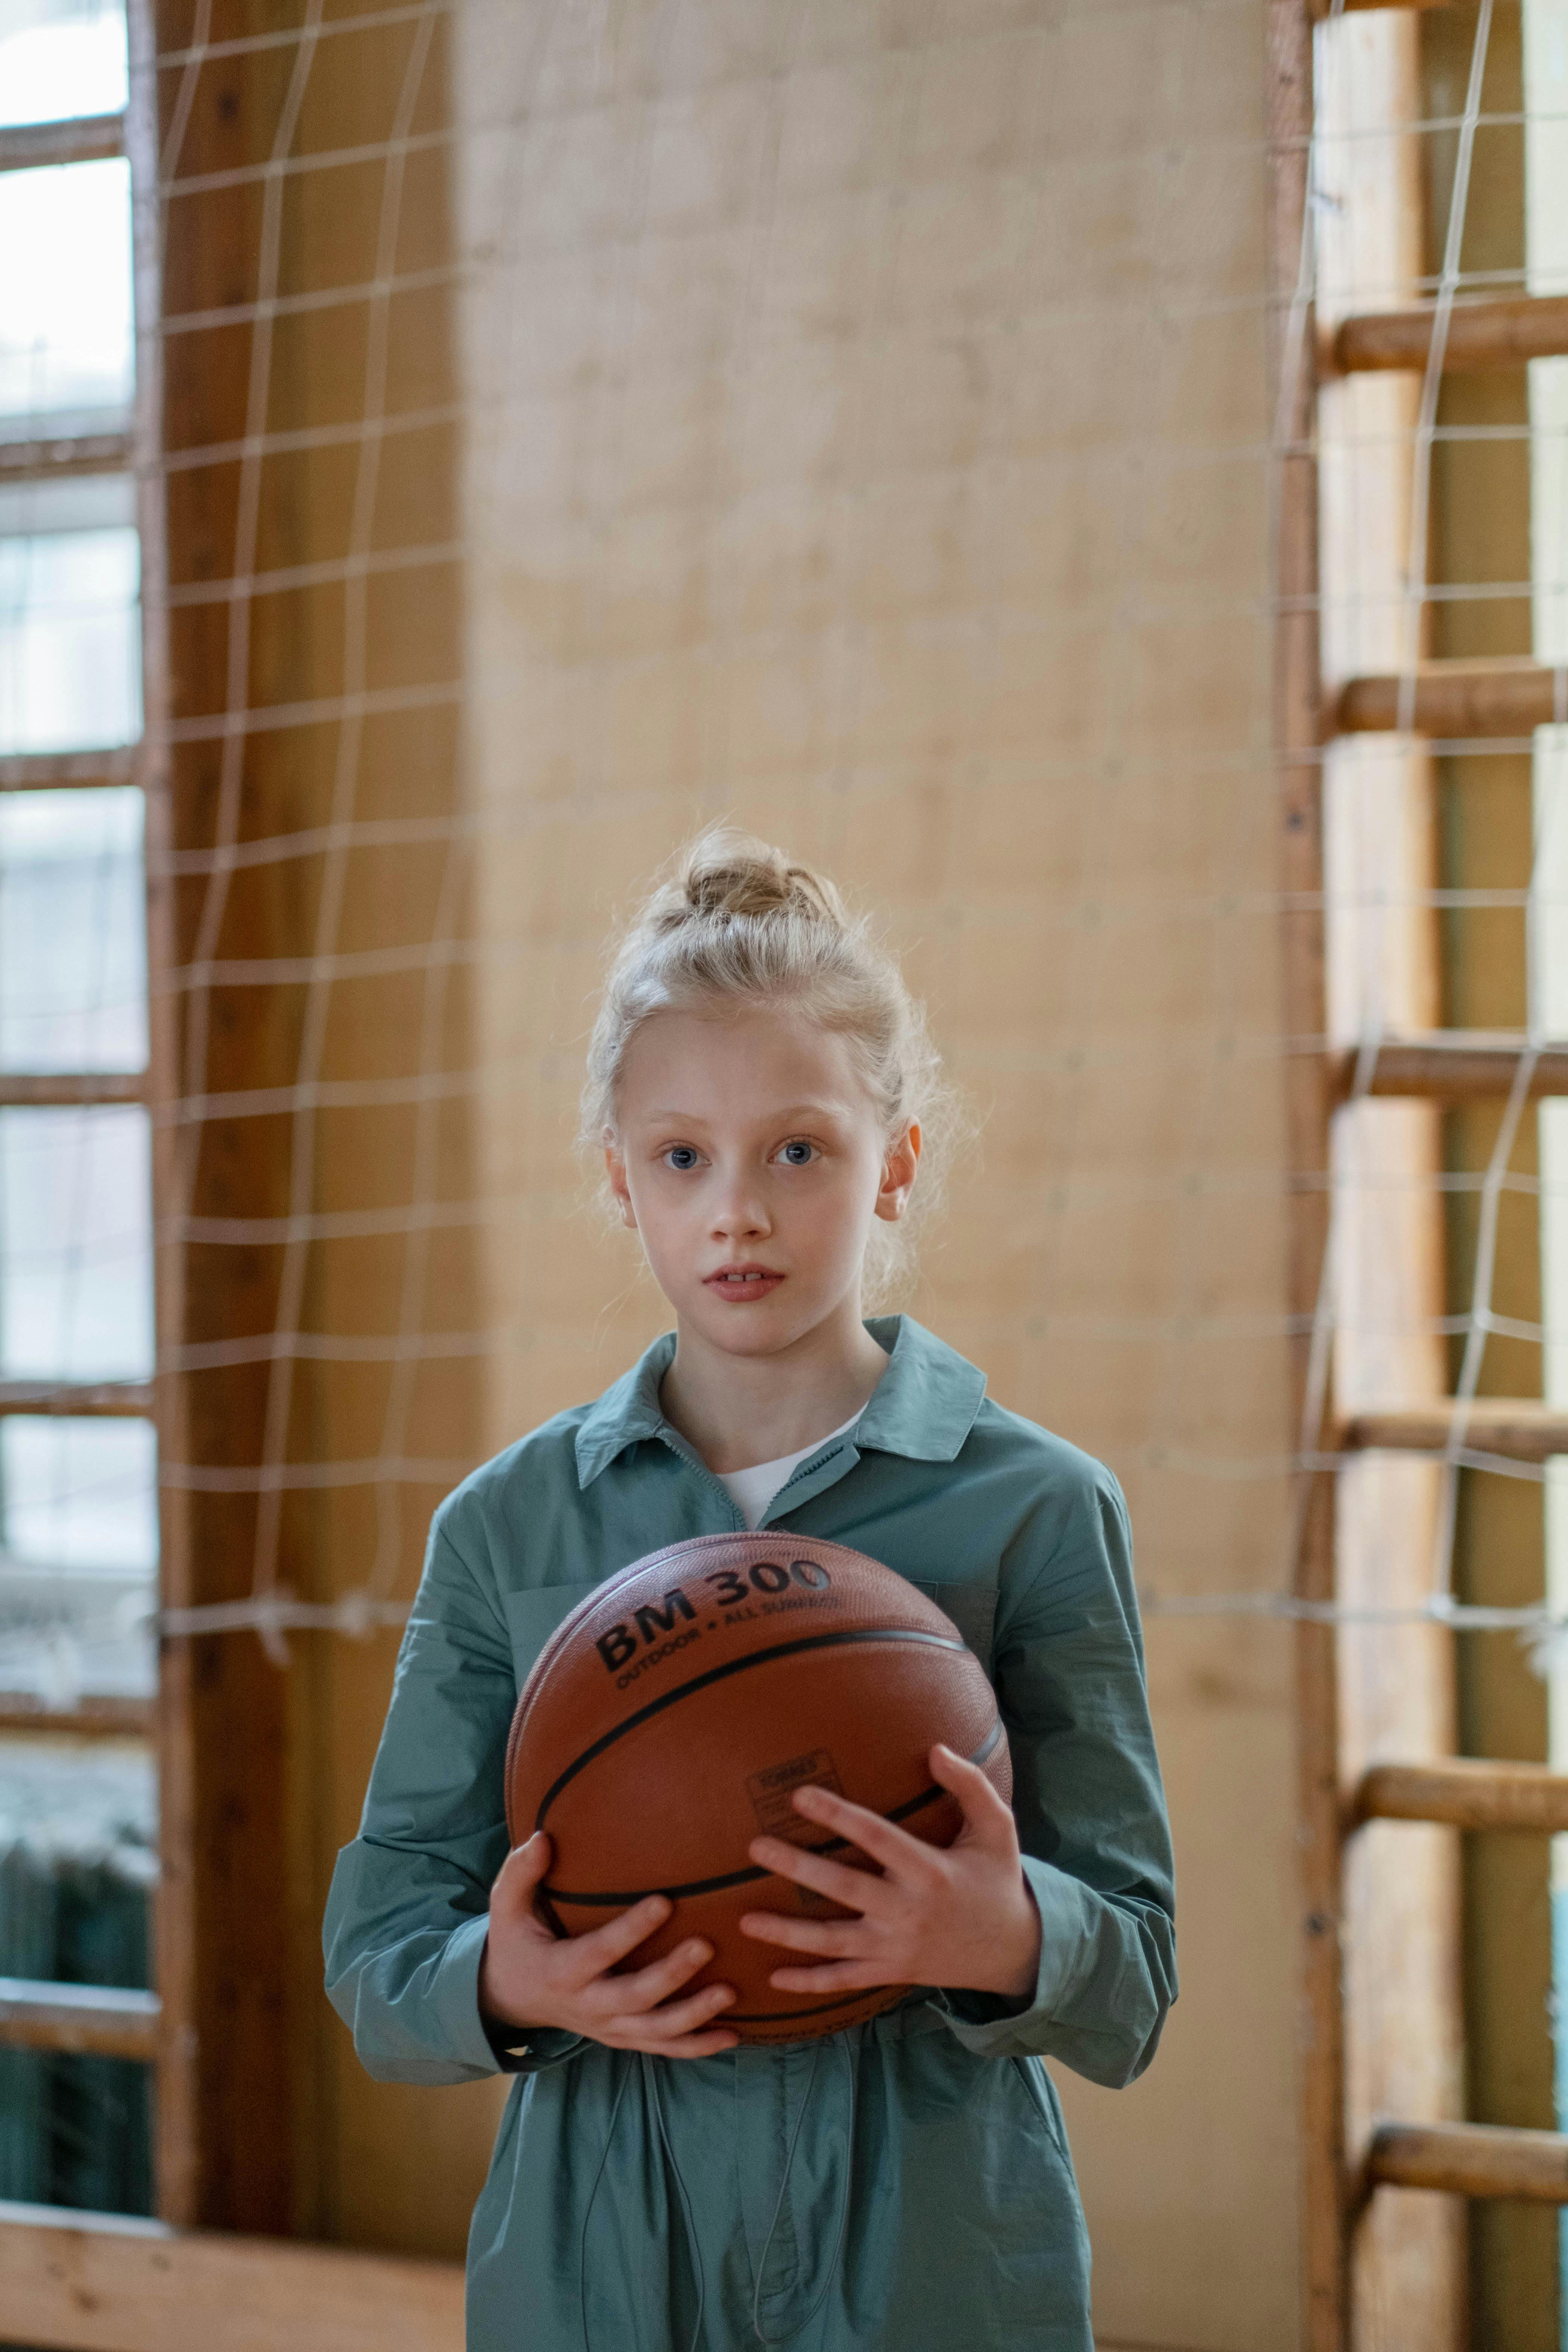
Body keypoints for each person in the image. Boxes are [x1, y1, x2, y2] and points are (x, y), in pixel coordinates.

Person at [323, 833, 1176, 2352]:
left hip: (927, 2239)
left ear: (892, 1162)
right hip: (600, 2249)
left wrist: (1004, 1933)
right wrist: (506, 1979)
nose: (738, 1210)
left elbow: (1132, 1978)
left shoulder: (1037, 1508)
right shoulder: (506, 1526)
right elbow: (382, 1960)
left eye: (798, 1149)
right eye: (681, 1157)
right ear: (620, 1182)